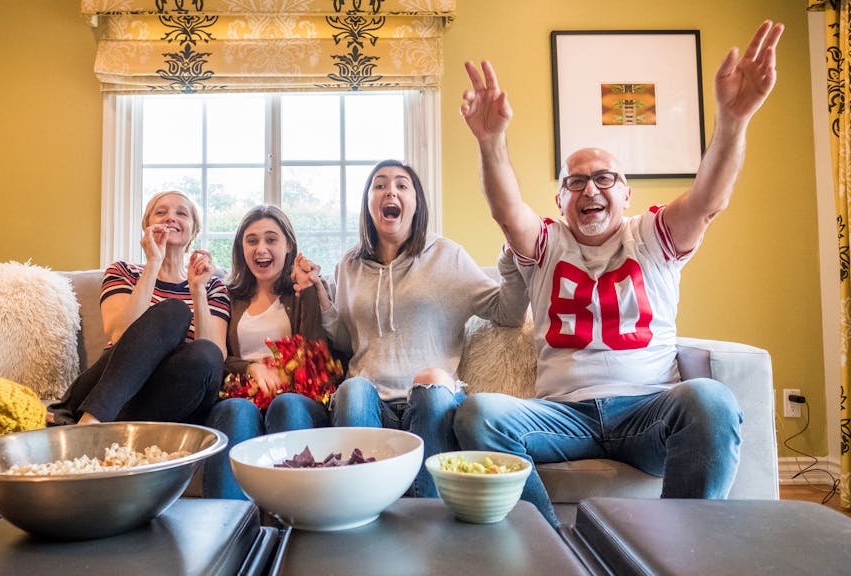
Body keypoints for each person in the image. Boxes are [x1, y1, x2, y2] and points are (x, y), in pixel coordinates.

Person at [454, 21, 784, 526]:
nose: (590, 190)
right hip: (562, 417)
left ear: (626, 194)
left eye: (604, 178)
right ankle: (552, 545)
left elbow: (708, 201)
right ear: (560, 200)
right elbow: (507, 211)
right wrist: (491, 141)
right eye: (576, 181)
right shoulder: (546, 244)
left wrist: (733, 120)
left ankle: (675, 548)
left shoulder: (652, 236)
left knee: (712, 401)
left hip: (648, 409)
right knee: (478, 414)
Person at [297, 159, 529, 497]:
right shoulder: (349, 265)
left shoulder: (447, 256)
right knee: (353, 388)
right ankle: (362, 507)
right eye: (380, 184)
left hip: (431, 404)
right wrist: (324, 298)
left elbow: (506, 313)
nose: (390, 190)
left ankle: (428, 516)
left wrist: (510, 262)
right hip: (371, 405)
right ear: (369, 204)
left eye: (402, 185)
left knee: (432, 378)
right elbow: (347, 340)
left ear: (416, 203)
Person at [47, 191, 229, 426]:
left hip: (172, 397)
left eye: (181, 213)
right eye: (161, 212)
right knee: (174, 312)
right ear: (146, 227)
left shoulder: (212, 284)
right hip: (114, 391)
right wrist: (153, 263)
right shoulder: (123, 271)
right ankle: (92, 422)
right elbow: (119, 334)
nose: (170, 218)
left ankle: (106, 427)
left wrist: (198, 291)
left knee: (204, 353)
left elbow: (215, 357)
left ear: (194, 231)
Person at [202, 205, 334, 499]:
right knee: (237, 410)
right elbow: (214, 357)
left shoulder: (303, 290)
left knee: (288, 404)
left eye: (271, 239)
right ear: (241, 249)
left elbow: (318, 355)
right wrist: (252, 368)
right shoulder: (228, 295)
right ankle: (227, 527)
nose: (261, 248)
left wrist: (309, 290)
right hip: (241, 395)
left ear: (288, 246)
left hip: (296, 397)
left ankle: (298, 521)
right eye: (252, 240)